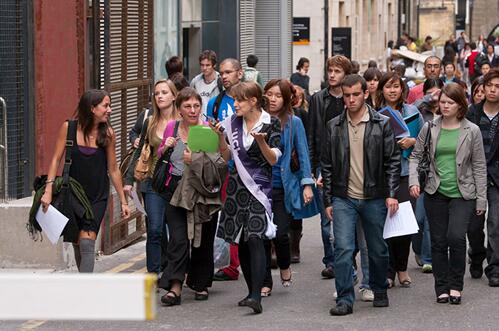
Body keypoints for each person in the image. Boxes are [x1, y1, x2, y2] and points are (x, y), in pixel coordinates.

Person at [322, 74, 400, 316]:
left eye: (356, 94)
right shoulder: (333, 125)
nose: (351, 100)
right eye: (347, 96)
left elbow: (393, 160)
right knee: (343, 249)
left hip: (375, 196)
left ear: (366, 93)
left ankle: (379, 288)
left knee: (377, 248)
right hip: (343, 197)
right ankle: (345, 299)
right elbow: (326, 165)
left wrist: (391, 193)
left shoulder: (382, 123)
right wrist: (327, 200)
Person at [409, 83, 487, 304]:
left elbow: (479, 166)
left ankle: (456, 285)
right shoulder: (430, 127)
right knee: (438, 241)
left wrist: (481, 199)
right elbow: (415, 156)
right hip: (436, 191)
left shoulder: (471, 130)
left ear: (460, 105)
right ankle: (441, 287)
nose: (444, 106)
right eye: (442, 102)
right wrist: (414, 181)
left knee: (456, 237)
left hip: (463, 193)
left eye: (450, 102)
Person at [40, 90, 131, 273]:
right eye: (106, 105)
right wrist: (48, 191)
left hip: (97, 196)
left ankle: (86, 289)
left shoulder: (108, 134)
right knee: (77, 241)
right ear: (91, 108)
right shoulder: (69, 128)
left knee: (87, 243)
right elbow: (55, 160)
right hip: (72, 195)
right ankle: (83, 281)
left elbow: (113, 169)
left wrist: (122, 200)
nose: (110, 110)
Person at [214, 81, 282, 314]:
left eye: (239, 100)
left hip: (259, 189)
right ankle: (250, 289)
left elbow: (273, 159)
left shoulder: (271, 123)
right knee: (240, 239)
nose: (235, 104)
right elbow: (225, 156)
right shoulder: (232, 123)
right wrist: (220, 139)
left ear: (253, 101)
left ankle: (257, 294)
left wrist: (262, 141)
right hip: (236, 186)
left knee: (255, 237)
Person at [158, 87, 221, 306]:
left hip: (201, 190)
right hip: (174, 189)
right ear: (179, 109)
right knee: (178, 238)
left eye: (196, 106)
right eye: (187, 106)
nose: (193, 110)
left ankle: (200, 283)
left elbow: (218, 163)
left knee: (203, 237)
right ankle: (175, 286)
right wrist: (164, 147)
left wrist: (193, 159)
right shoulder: (171, 127)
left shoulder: (207, 130)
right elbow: (160, 157)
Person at [261, 79, 315, 296]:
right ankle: (265, 282)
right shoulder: (257, 120)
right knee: (262, 234)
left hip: (283, 186)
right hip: (259, 186)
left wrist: (307, 184)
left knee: (281, 233)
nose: (273, 99)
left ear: (285, 99)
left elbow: (302, 153)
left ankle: (284, 264)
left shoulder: (294, 123)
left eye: (278, 95)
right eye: (270, 94)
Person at [124, 79, 179, 274]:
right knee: (155, 229)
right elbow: (139, 152)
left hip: (176, 182)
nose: (160, 96)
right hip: (151, 182)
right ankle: (154, 273)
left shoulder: (182, 121)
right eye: (157, 93)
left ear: (174, 95)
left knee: (176, 232)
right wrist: (128, 181)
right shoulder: (149, 121)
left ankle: (175, 271)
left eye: (164, 92)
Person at [376, 72, 424, 288]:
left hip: (406, 173)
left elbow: (425, 141)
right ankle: (388, 270)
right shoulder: (376, 114)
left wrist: (412, 140)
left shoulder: (413, 112)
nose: (392, 90)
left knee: (404, 225)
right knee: (386, 225)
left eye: (396, 86)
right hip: (383, 175)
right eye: (388, 87)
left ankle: (402, 268)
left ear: (402, 90)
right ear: (381, 90)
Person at [308, 55, 352, 279]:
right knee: (326, 215)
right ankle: (332, 261)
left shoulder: (352, 97)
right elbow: (314, 134)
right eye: (330, 71)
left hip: (349, 162)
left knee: (347, 211)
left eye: (337, 71)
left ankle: (346, 258)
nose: (332, 75)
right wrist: (312, 169)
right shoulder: (317, 99)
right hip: (325, 162)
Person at [207, 58, 244, 282]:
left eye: (228, 72)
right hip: (223, 167)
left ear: (239, 73)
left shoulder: (250, 98)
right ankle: (230, 264)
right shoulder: (215, 102)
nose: (224, 76)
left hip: (247, 167)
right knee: (225, 215)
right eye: (222, 73)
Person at [466, 68, 499, 287]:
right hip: (474, 175)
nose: (494, 90)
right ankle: (477, 255)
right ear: (483, 87)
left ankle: (495, 268)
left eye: (498, 87)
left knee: (496, 223)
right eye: (490, 86)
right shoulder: (472, 113)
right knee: (474, 225)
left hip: (497, 177)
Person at [412, 78, 444, 273]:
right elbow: (408, 108)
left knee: (431, 219)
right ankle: (417, 248)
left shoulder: (447, 112)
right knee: (418, 219)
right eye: (430, 92)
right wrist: (426, 98)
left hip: (438, 171)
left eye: (437, 91)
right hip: (421, 170)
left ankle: (427, 258)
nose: (434, 96)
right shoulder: (419, 112)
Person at [290, 84, 310, 263]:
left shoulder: (300, 116)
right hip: (278, 168)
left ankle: (294, 246)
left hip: (295, 168)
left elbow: (306, 141)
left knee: (296, 209)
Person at [190, 50, 222, 115]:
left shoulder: (221, 81)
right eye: (202, 65)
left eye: (208, 65)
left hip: (216, 121)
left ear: (214, 65)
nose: (204, 68)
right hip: (200, 121)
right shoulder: (195, 81)